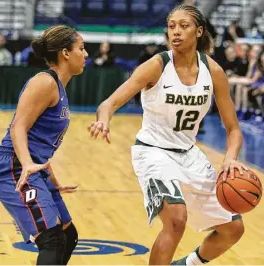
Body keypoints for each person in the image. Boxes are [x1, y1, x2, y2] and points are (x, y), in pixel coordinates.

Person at [88, 5, 247, 266]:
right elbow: (109, 103)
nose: (175, 31)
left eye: (183, 26)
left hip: (189, 154)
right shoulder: (157, 66)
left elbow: (233, 129)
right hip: (153, 151)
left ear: (199, 31)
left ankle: (186, 264)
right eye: (171, 26)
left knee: (234, 229)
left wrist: (229, 158)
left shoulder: (213, 72)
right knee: (176, 219)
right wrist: (104, 120)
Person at [0, 25, 88, 265]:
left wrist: (52, 179)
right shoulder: (44, 82)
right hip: (13, 169)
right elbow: (18, 127)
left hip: (34, 169)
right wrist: (26, 163)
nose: (86, 54)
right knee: (52, 240)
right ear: (66, 53)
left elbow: (39, 144)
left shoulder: (58, 86)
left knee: (68, 235)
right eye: (82, 48)